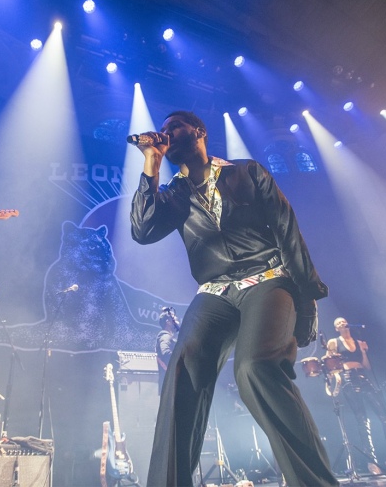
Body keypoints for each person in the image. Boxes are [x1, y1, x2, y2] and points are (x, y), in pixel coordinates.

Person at [130, 111, 337, 486]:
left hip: (269, 279)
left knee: (254, 368)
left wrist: (308, 298)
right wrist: (151, 165)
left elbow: (288, 230)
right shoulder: (175, 192)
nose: (165, 133)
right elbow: (142, 230)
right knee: (183, 367)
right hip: (214, 291)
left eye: (173, 126)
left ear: (199, 132)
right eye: (161, 130)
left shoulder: (246, 172)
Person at [325, 317, 386, 476]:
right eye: (338, 323)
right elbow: (330, 365)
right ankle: (372, 461)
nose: (342, 323)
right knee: (362, 419)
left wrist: (363, 351)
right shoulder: (334, 342)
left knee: (385, 416)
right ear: (336, 328)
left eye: (343, 321)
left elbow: (367, 366)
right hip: (348, 378)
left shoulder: (358, 341)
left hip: (363, 376)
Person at [155, 306, 180, 393]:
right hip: (170, 385)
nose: (176, 319)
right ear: (168, 322)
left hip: (170, 384)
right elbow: (165, 353)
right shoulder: (165, 336)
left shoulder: (169, 337)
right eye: (173, 317)